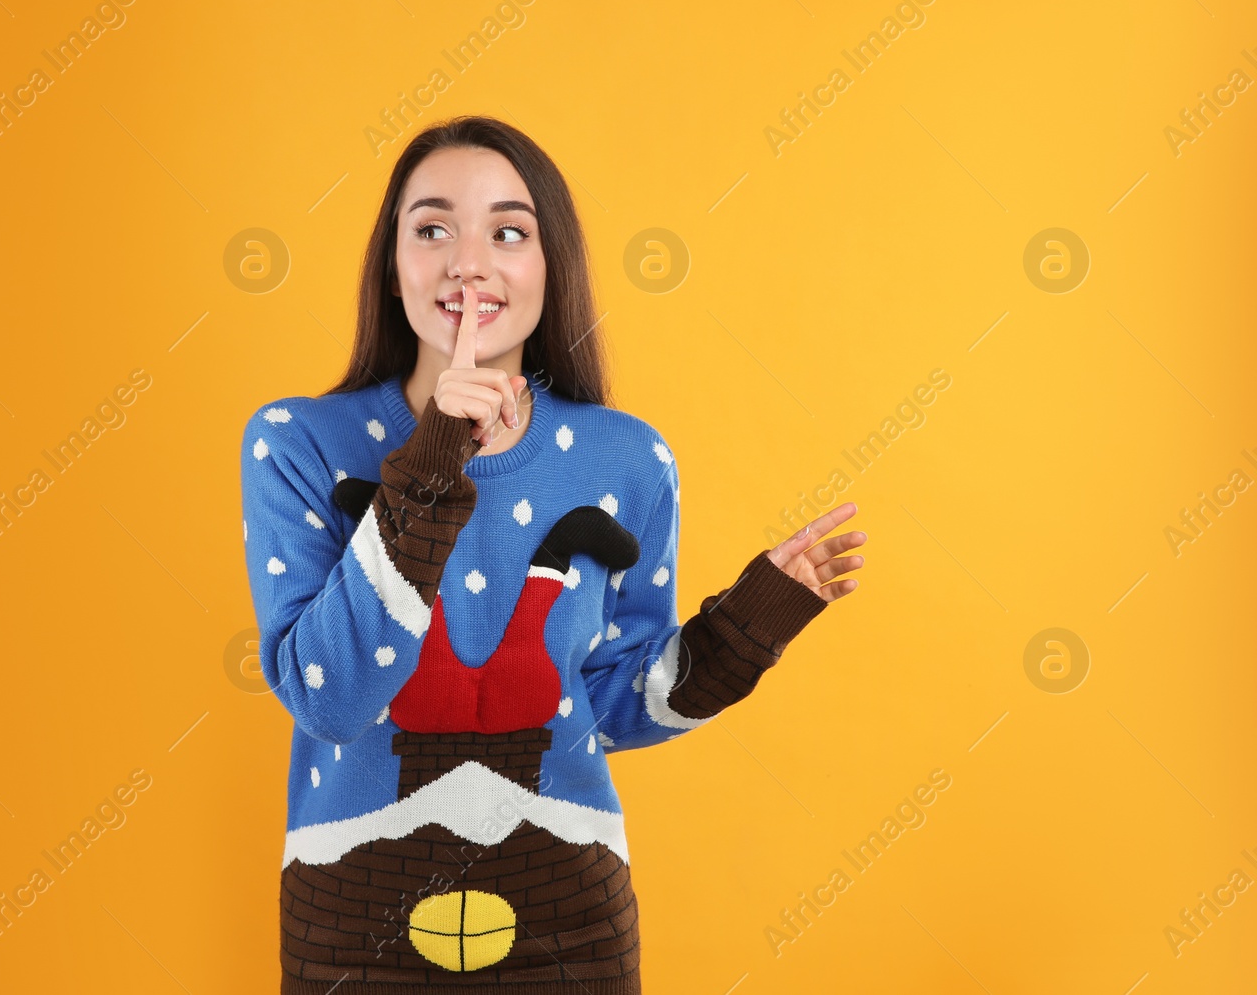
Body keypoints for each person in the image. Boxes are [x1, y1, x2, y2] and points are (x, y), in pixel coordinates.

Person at [239, 115, 866, 994]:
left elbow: (608, 704)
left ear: (549, 265)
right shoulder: (299, 443)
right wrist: (433, 453)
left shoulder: (627, 458)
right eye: (431, 229)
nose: (469, 260)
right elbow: (330, 698)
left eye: (508, 231)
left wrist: (742, 633)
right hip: (354, 924)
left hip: (567, 922)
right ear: (393, 266)